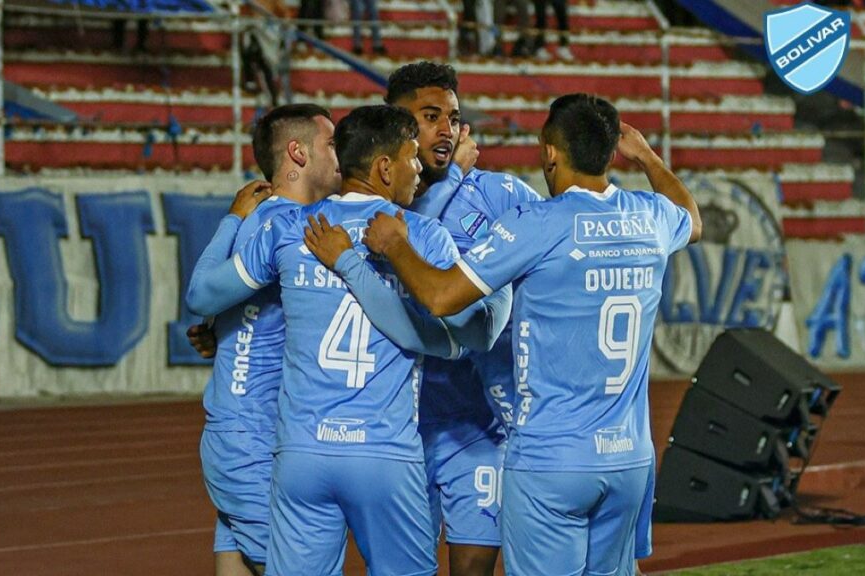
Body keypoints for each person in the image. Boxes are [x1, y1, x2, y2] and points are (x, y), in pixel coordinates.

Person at [361, 94, 702, 575]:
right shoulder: (650, 217)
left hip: (551, 459)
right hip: (629, 461)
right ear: (611, 154)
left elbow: (440, 296)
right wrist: (647, 157)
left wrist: (396, 246)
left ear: (549, 153)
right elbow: (692, 215)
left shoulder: (538, 224)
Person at [185, 105, 511, 576]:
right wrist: (497, 289)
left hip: (302, 456)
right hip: (383, 455)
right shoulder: (422, 235)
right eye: (412, 159)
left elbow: (205, 294)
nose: (420, 171)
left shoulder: (289, 228)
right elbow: (469, 334)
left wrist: (232, 233)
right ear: (384, 167)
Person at [383, 61, 542, 576]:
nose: (446, 130)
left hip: (476, 425)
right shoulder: (366, 197)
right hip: (394, 431)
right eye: (431, 117)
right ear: (397, 124)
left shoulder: (501, 196)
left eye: (453, 118)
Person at [188, 103, 341, 576]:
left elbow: (236, 303)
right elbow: (201, 294)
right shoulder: (284, 227)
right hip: (251, 438)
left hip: (244, 430)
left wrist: (220, 333)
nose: (342, 155)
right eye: (331, 143)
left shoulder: (261, 218)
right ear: (297, 152)